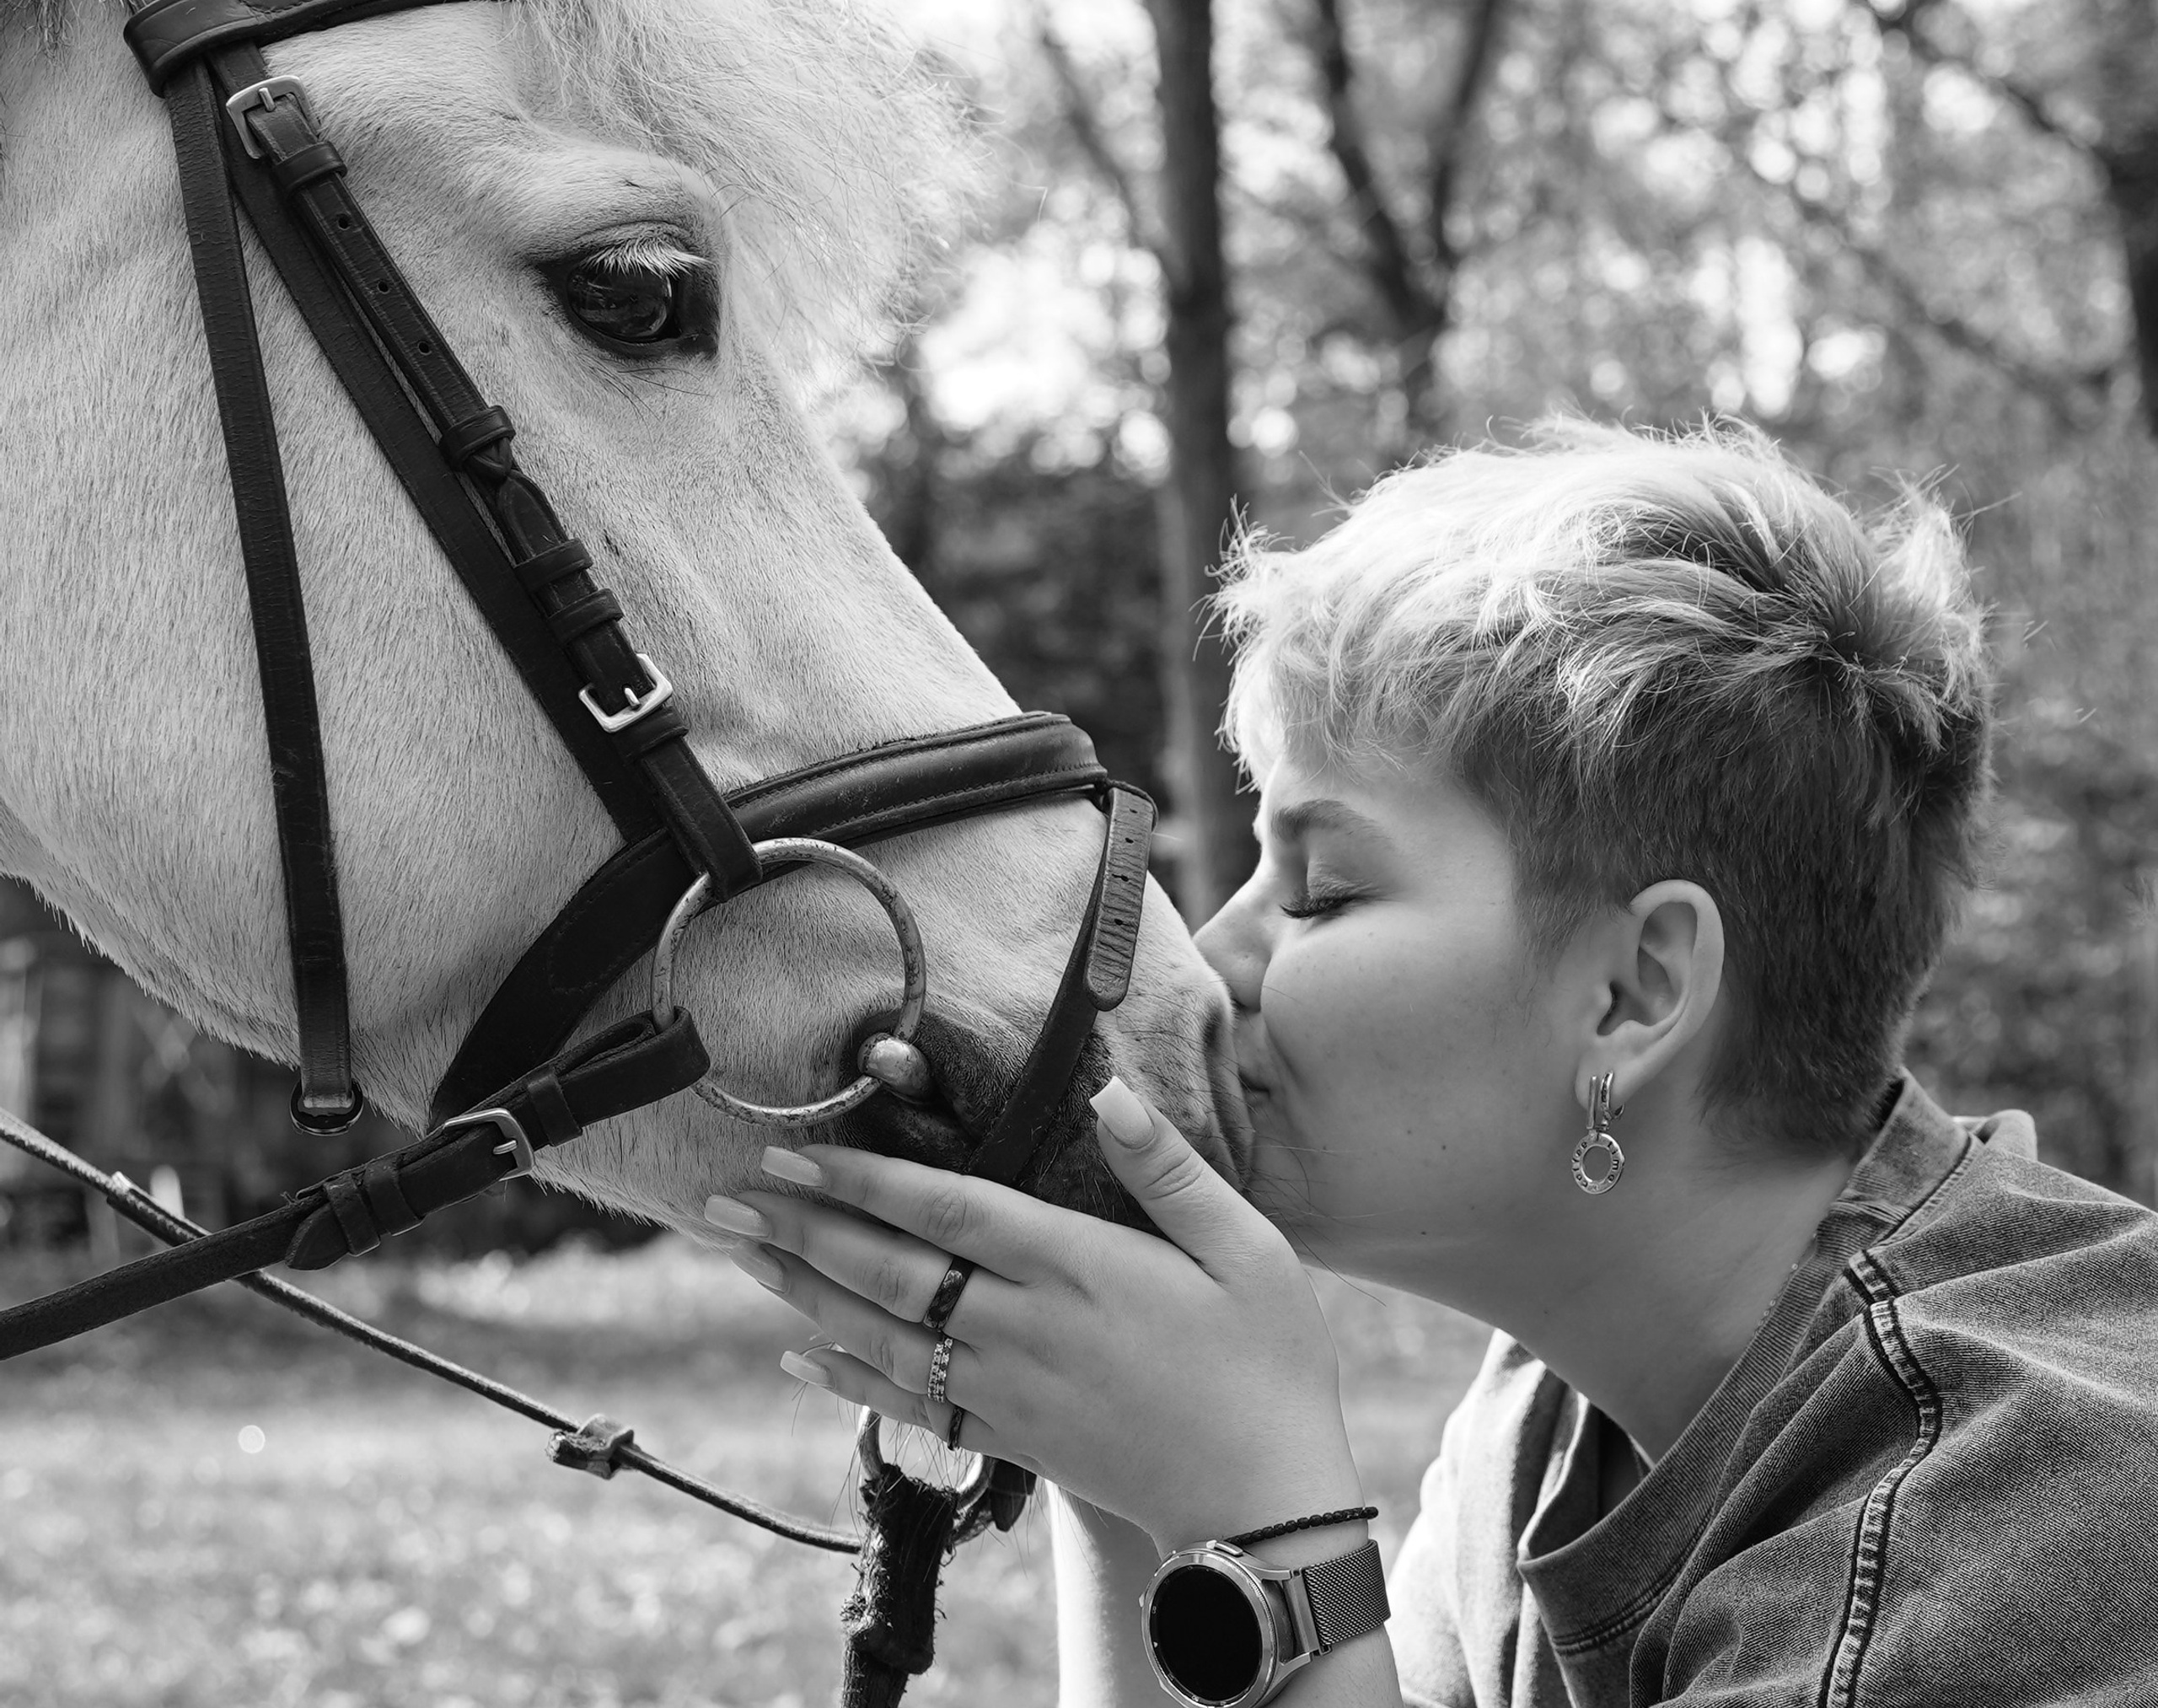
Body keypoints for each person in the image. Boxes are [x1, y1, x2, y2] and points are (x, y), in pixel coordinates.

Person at [695, 416, 2158, 1707]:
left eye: (1323, 889)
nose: (1210, 951)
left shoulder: (2016, 1517)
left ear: (1636, 991)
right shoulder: (1555, 1418)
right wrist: (1125, 1474)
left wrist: (1260, 1534)